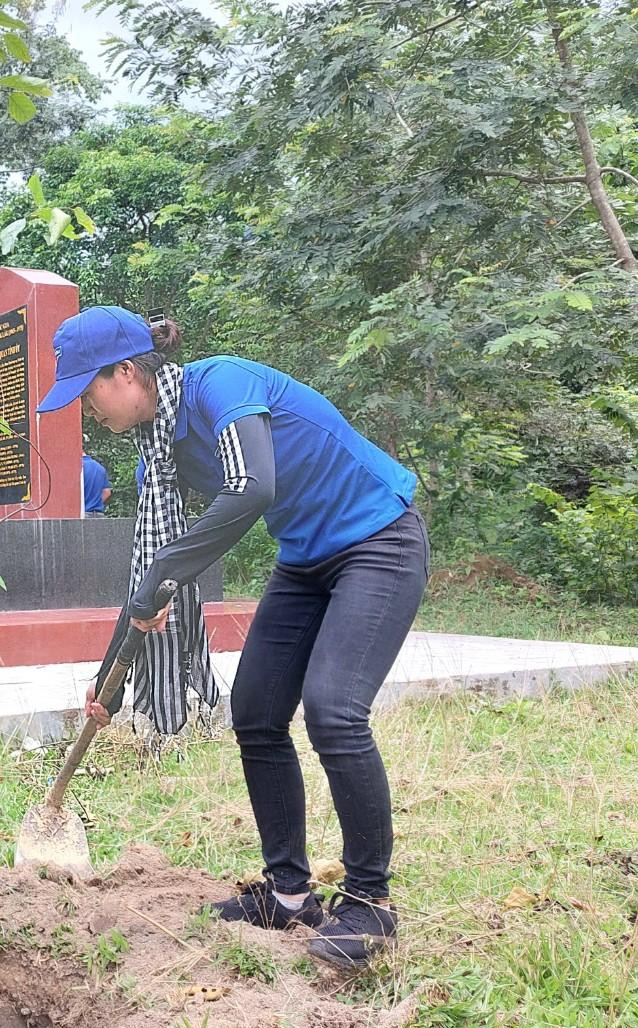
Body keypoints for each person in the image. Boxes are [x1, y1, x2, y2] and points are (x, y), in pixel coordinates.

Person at [36, 306, 428, 969]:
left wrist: (167, 569)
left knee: (334, 709)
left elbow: (253, 486)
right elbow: (148, 577)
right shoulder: (156, 459)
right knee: (256, 710)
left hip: (377, 539)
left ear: (127, 373)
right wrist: (110, 679)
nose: (85, 410)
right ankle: (290, 892)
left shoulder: (223, 385)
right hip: (305, 557)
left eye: (87, 391)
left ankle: (370, 900)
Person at [82, 451, 111, 517]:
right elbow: (107, 492)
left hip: (81, 516)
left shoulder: (76, 467)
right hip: (99, 516)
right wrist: (94, 503)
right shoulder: (100, 468)